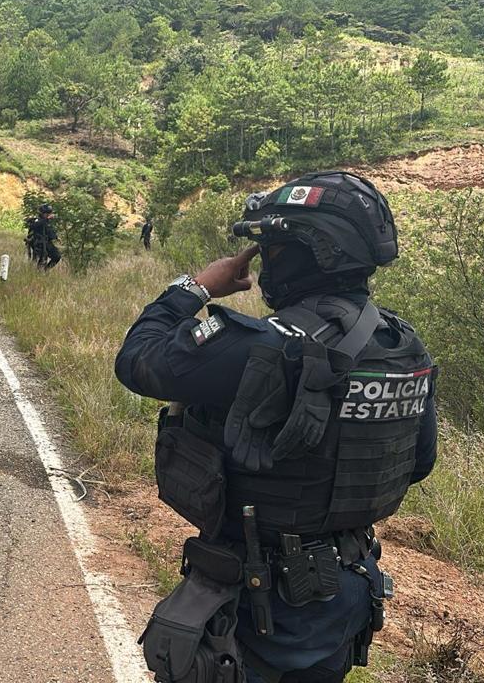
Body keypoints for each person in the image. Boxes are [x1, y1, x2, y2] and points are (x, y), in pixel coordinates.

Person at [114, 173, 436, 683]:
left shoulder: (261, 346)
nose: (265, 262)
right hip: (344, 587)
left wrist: (194, 287)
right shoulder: (402, 346)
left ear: (307, 251)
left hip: (259, 597)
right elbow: (418, 463)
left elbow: (137, 362)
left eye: (272, 248)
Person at [28, 205, 61, 269]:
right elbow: (34, 226)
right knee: (42, 260)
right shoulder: (37, 220)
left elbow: (49, 231)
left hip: (47, 242)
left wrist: (56, 237)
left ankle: (46, 270)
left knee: (57, 256)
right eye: (47, 213)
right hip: (38, 243)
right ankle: (39, 273)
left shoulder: (47, 222)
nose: (49, 215)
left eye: (49, 213)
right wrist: (46, 219)